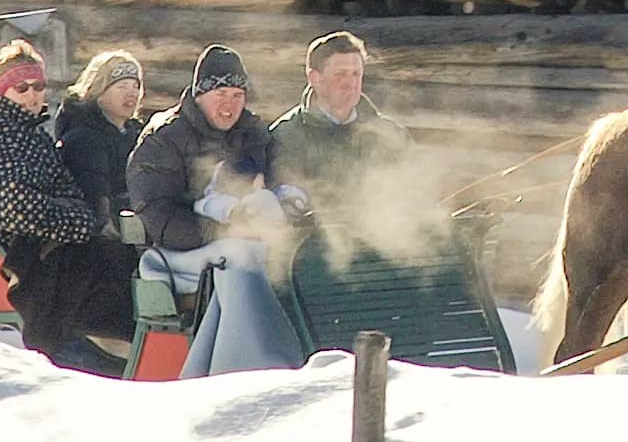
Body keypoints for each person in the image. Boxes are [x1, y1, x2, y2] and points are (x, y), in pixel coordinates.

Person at [0, 40, 135, 370]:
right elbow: (12, 205)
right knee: (94, 261)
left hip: (42, 236)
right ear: (2, 91)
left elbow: (66, 190)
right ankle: (81, 348)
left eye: (38, 86)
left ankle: (110, 343)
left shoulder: (33, 134)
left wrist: (77, 217)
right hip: (13, 247)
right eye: (22, 88)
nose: (33, 95)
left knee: (110, 253)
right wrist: (77, 222)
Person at [126, 46, 307, 375]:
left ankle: (305, 349)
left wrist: (288, 200)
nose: (230, 104)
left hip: (243, 238)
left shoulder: (252, 132)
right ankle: (247, 364)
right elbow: (158, 215)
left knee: (289, 255)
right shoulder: (164, 138)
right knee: (241, 257)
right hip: (174, 253)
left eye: (238, 94)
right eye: (221, 93)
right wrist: (220, 229)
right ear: (200, 94)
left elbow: (282, 175)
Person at [267, 31, 421, 228]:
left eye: (356, 74)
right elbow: (286, 200)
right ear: (314, 78)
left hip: (387, 241)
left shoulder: (391, 134)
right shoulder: (287, 135)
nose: (350, 83)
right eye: (340, 74)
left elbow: (417, 189)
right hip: (316, 247)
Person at [54, 50, 145, 228]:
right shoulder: (83, 140)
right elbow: (96, 201)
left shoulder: (138, 135)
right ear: (99, 92)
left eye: (136, 86)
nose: (131, 93)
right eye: (122, 86)